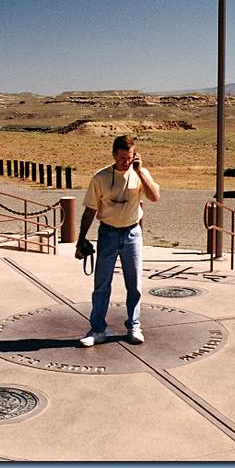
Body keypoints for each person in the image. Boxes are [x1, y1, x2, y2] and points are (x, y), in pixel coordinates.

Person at [75, 135, 160, 347]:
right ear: (114, 155)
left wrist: (139, 172)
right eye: (122, 158)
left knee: (134, 283)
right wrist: (81, 239)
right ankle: (97, 329)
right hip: (108, 233)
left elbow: (154, 197)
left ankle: (134, 326)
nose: (126, 162)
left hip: (132, 233)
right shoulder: (100, 178)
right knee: (102, 284)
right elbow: (90, 210)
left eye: (130, 157)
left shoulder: (140, 174)